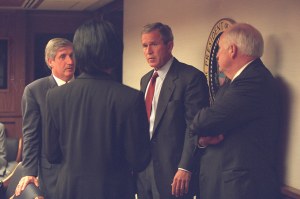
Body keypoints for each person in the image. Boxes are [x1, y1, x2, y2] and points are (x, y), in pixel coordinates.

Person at [44, 19, 151, 199]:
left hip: (69, 190)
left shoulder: (55, 97)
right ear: (115, 51)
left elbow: (52, 154)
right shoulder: (130, 98)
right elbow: (139, 160)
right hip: (114, 191)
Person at [188, 23, 281, 199]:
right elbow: (208, 122)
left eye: (219, 49)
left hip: (240, 189)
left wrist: (202, 128)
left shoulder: (254, 81)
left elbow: (203, 121)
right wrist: (203, 138)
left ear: (232, 50)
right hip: (224, 185)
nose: (216, 54)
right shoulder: (234, 82)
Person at [137, 22, 209, 199]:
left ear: (169, 45)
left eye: (154, 44)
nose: (148, 51)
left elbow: (195, 127)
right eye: (145, 46)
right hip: (144, 170)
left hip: (174, 172)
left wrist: (185, 167)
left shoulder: (191, 78)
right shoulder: (145, 80)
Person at [15, 38, 75, 198]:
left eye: (72, 55)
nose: (70, 61)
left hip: (83, 171)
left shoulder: (86, 87)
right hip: (52, 172)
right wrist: (29, 171)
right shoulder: (35, 90)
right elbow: (31, 135)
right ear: (50, 61)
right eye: (63, 56)